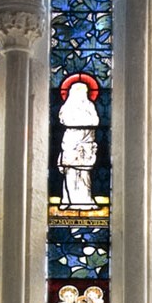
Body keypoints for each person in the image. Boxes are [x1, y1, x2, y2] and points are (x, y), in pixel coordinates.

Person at [57, 78, 99, 210]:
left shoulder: (90, 106)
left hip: (86, 145)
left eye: (85, 92)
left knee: (84, 175)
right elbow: (66, 121)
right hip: (71, 144)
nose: (83, 94)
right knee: (70, 173)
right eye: (80, 92)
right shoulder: (67, 107)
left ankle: (85, 201)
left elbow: (95, 121)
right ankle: (70, 201)